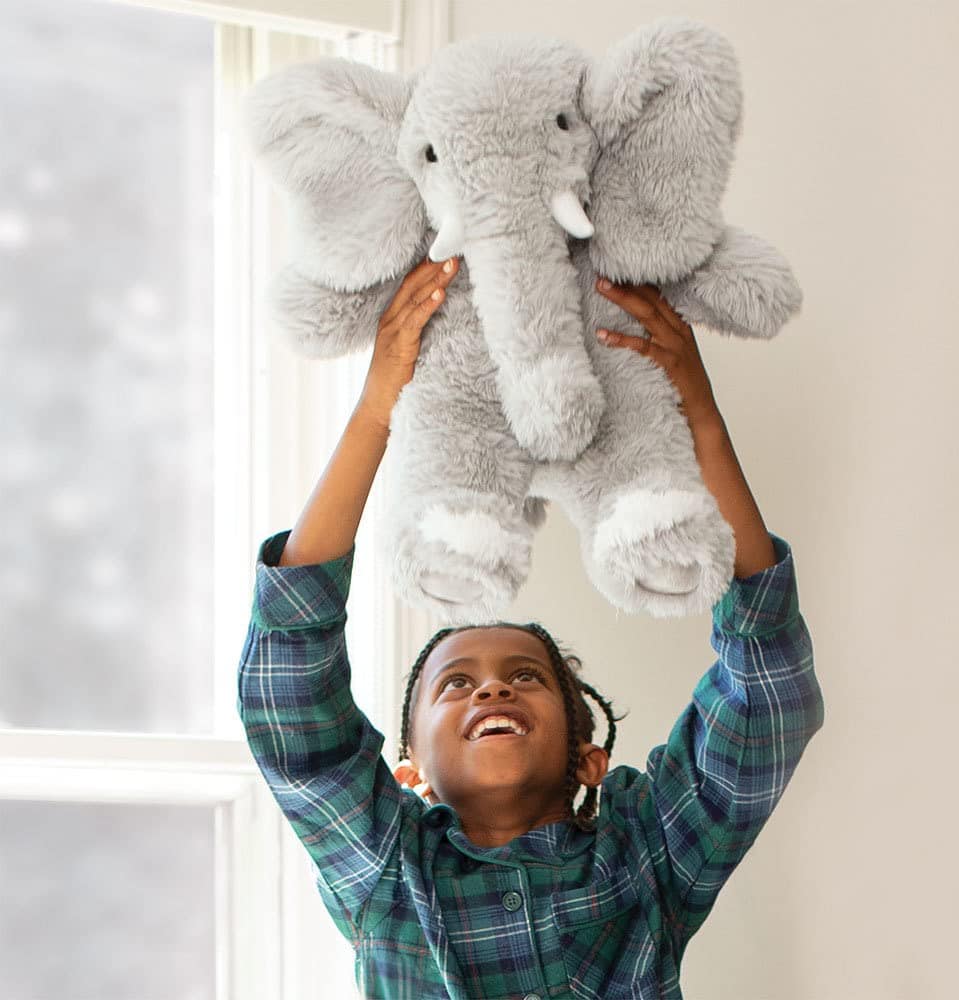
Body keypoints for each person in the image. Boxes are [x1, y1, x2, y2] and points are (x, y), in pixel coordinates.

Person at [237, 256, 825, 999]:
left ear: (589, 760)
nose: (492, 691)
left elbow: (768, 697)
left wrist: (700, 423)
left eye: (525, 676)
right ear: (411, 775)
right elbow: (290, 702)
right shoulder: (387, 868)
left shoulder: (647, 854)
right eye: (456, 684)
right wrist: (376, 413)